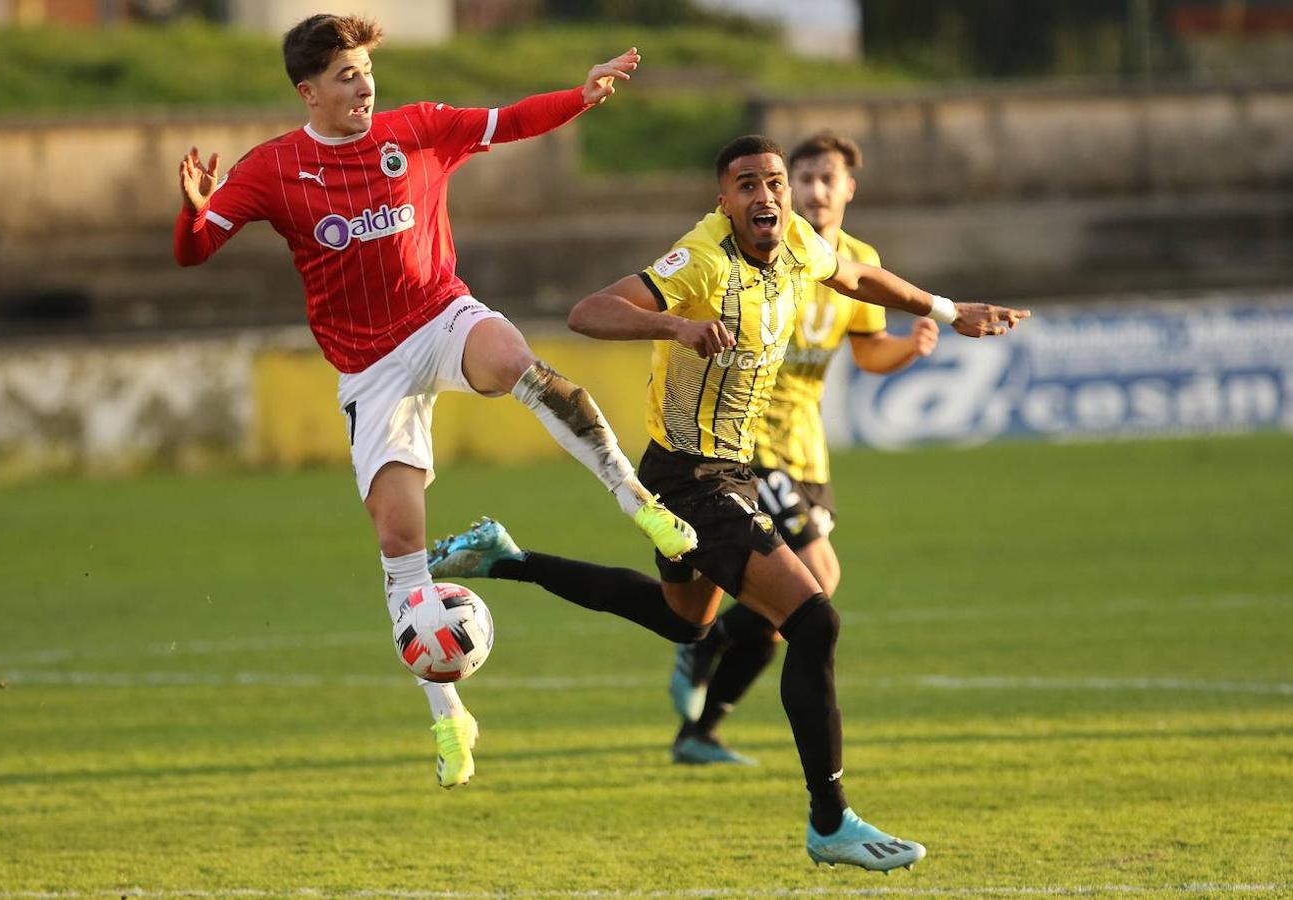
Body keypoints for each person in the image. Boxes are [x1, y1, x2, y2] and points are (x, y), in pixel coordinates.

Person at [428, 134, 1029, 871]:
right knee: (814, 620)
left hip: (726, 472)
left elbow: (855, 277)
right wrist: (675, 324)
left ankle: (507, 559)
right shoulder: (702, 260)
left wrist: (945, 307)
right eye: (747, 185)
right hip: (693, 481)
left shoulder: (800, 242)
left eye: (773, 182)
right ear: (724, 200)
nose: (767, 197)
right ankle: (830, 819)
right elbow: (589, 312)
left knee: (683, 621)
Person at [173, 14, 697, 790]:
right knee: (399, 543)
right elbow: (193, 250)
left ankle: (637, 500)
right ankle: (449, 718)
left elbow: (508, 121)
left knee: (517, 362)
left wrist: (581, 97)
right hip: (369, 369)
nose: (362, 86)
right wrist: (194, 207)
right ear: (306, 92)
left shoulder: (415, 130)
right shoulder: (273, 169)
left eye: (365, 72)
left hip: (440, 315)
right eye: (344, 76)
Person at [669, 131, 940, 767]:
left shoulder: (857, 260)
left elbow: (869, 352)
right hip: (749, 441)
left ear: (848, 190)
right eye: (805, 178)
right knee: (820, 577)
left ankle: (699, 729)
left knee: (778, 614)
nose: (814, 191)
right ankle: (700, 642)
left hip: (806, 450)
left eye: (827, 180)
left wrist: (911, 347)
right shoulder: (772, 251)